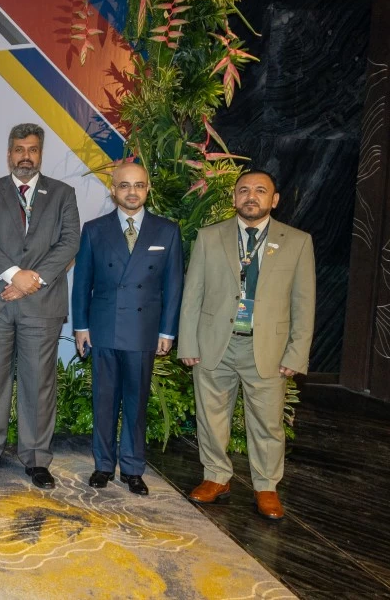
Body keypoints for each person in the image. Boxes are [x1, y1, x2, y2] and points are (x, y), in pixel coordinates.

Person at [179, 168, 315, 520]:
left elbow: (304, 303)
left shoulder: (297, 242)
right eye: (243, 190)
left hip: (267, 348)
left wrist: (296, 353)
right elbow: (192, 294)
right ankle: (216, 478)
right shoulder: (210, 237)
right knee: (210, 418)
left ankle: (266, 486)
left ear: (275, 200)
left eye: (260, 190)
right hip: (214, 345)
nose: (250, 196)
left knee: (268, 423)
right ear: (234, 197)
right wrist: (188, 343)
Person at [0, 123, 80, 488]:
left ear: (40, 153)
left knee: (37, 383)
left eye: (32, 149)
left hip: (42, 302)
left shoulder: (63, 194)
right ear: (9, 153)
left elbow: (68, 243)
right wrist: (14, 274)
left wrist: (32, 280)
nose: (25, 156)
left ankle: (35, 458)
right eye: (19, 149)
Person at [72, 161, 183, 495]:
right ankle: (103, 466)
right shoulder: (94, 229)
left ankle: (133, 468)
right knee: (104, 400)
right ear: (113, 189)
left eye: (138, 185)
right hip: (103, 327)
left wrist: (168, 331)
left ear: (148, 189)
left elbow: (174, 284)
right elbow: (82, 283)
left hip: (143, 330)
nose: (131, 191)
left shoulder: (167, 231)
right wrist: (80, 326)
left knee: (136, 403)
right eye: (124, 185)